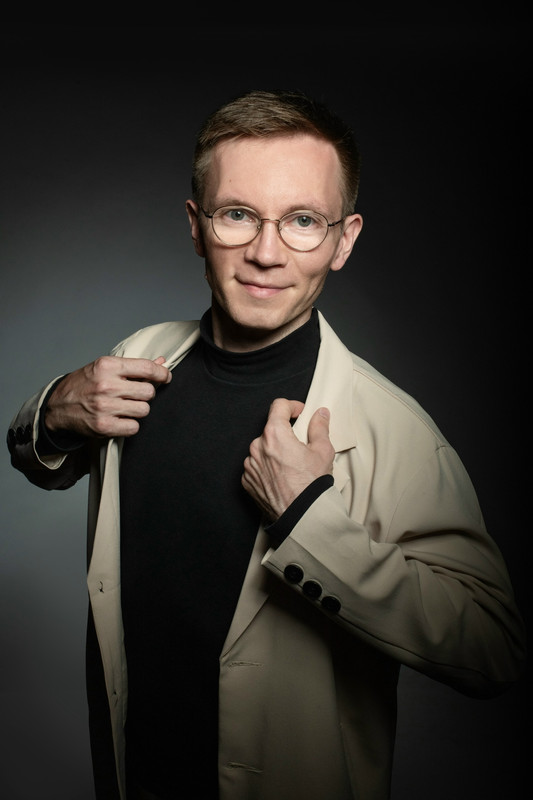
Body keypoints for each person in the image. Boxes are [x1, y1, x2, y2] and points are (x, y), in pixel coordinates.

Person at [7, 89, 526, 800]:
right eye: (237, 215)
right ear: (197, 226)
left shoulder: (389, 427)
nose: (264, 252)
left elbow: (493, 651)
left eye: (303, 221)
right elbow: (40, 462)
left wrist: (310, 519)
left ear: (343, 240)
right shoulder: (142, 355)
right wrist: (50, 413)